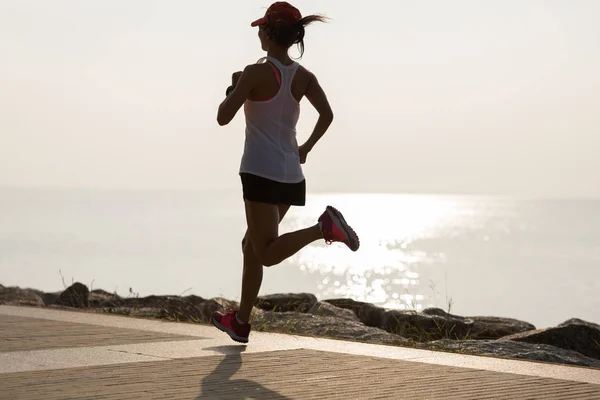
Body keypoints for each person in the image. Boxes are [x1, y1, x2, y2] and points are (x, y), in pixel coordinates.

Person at [211, 1, 360, 344]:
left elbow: (223, 116)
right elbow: (327, 115)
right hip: (291, 175)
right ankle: (241, 322)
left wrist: (236, 90)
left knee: (265, 252)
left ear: (268, 34)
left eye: (261, 28)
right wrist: (305, 148)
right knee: (252, 245)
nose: (259, 33)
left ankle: (323, 227)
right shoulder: (304, 77)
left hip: (260, 173)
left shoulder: (254, 73)